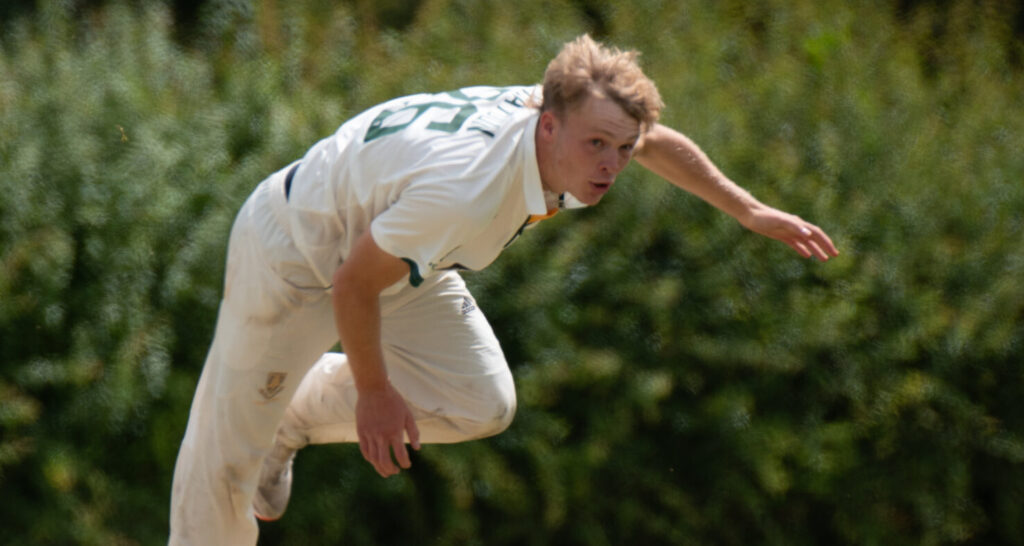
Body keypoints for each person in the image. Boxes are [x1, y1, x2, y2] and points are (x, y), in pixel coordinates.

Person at [168, 34, 839, 545]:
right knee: (223, 464)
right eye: (597, 145)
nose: (611, 165)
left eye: (622, 149)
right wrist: (373, 394)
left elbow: (656, 140)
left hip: (392, 247)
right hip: (297, 252)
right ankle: (262, 417)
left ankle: (293, 413)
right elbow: (352, 286)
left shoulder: (563, 117)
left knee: (479, 400)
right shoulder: (468, 190)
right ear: (549, 124)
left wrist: (749, 211)